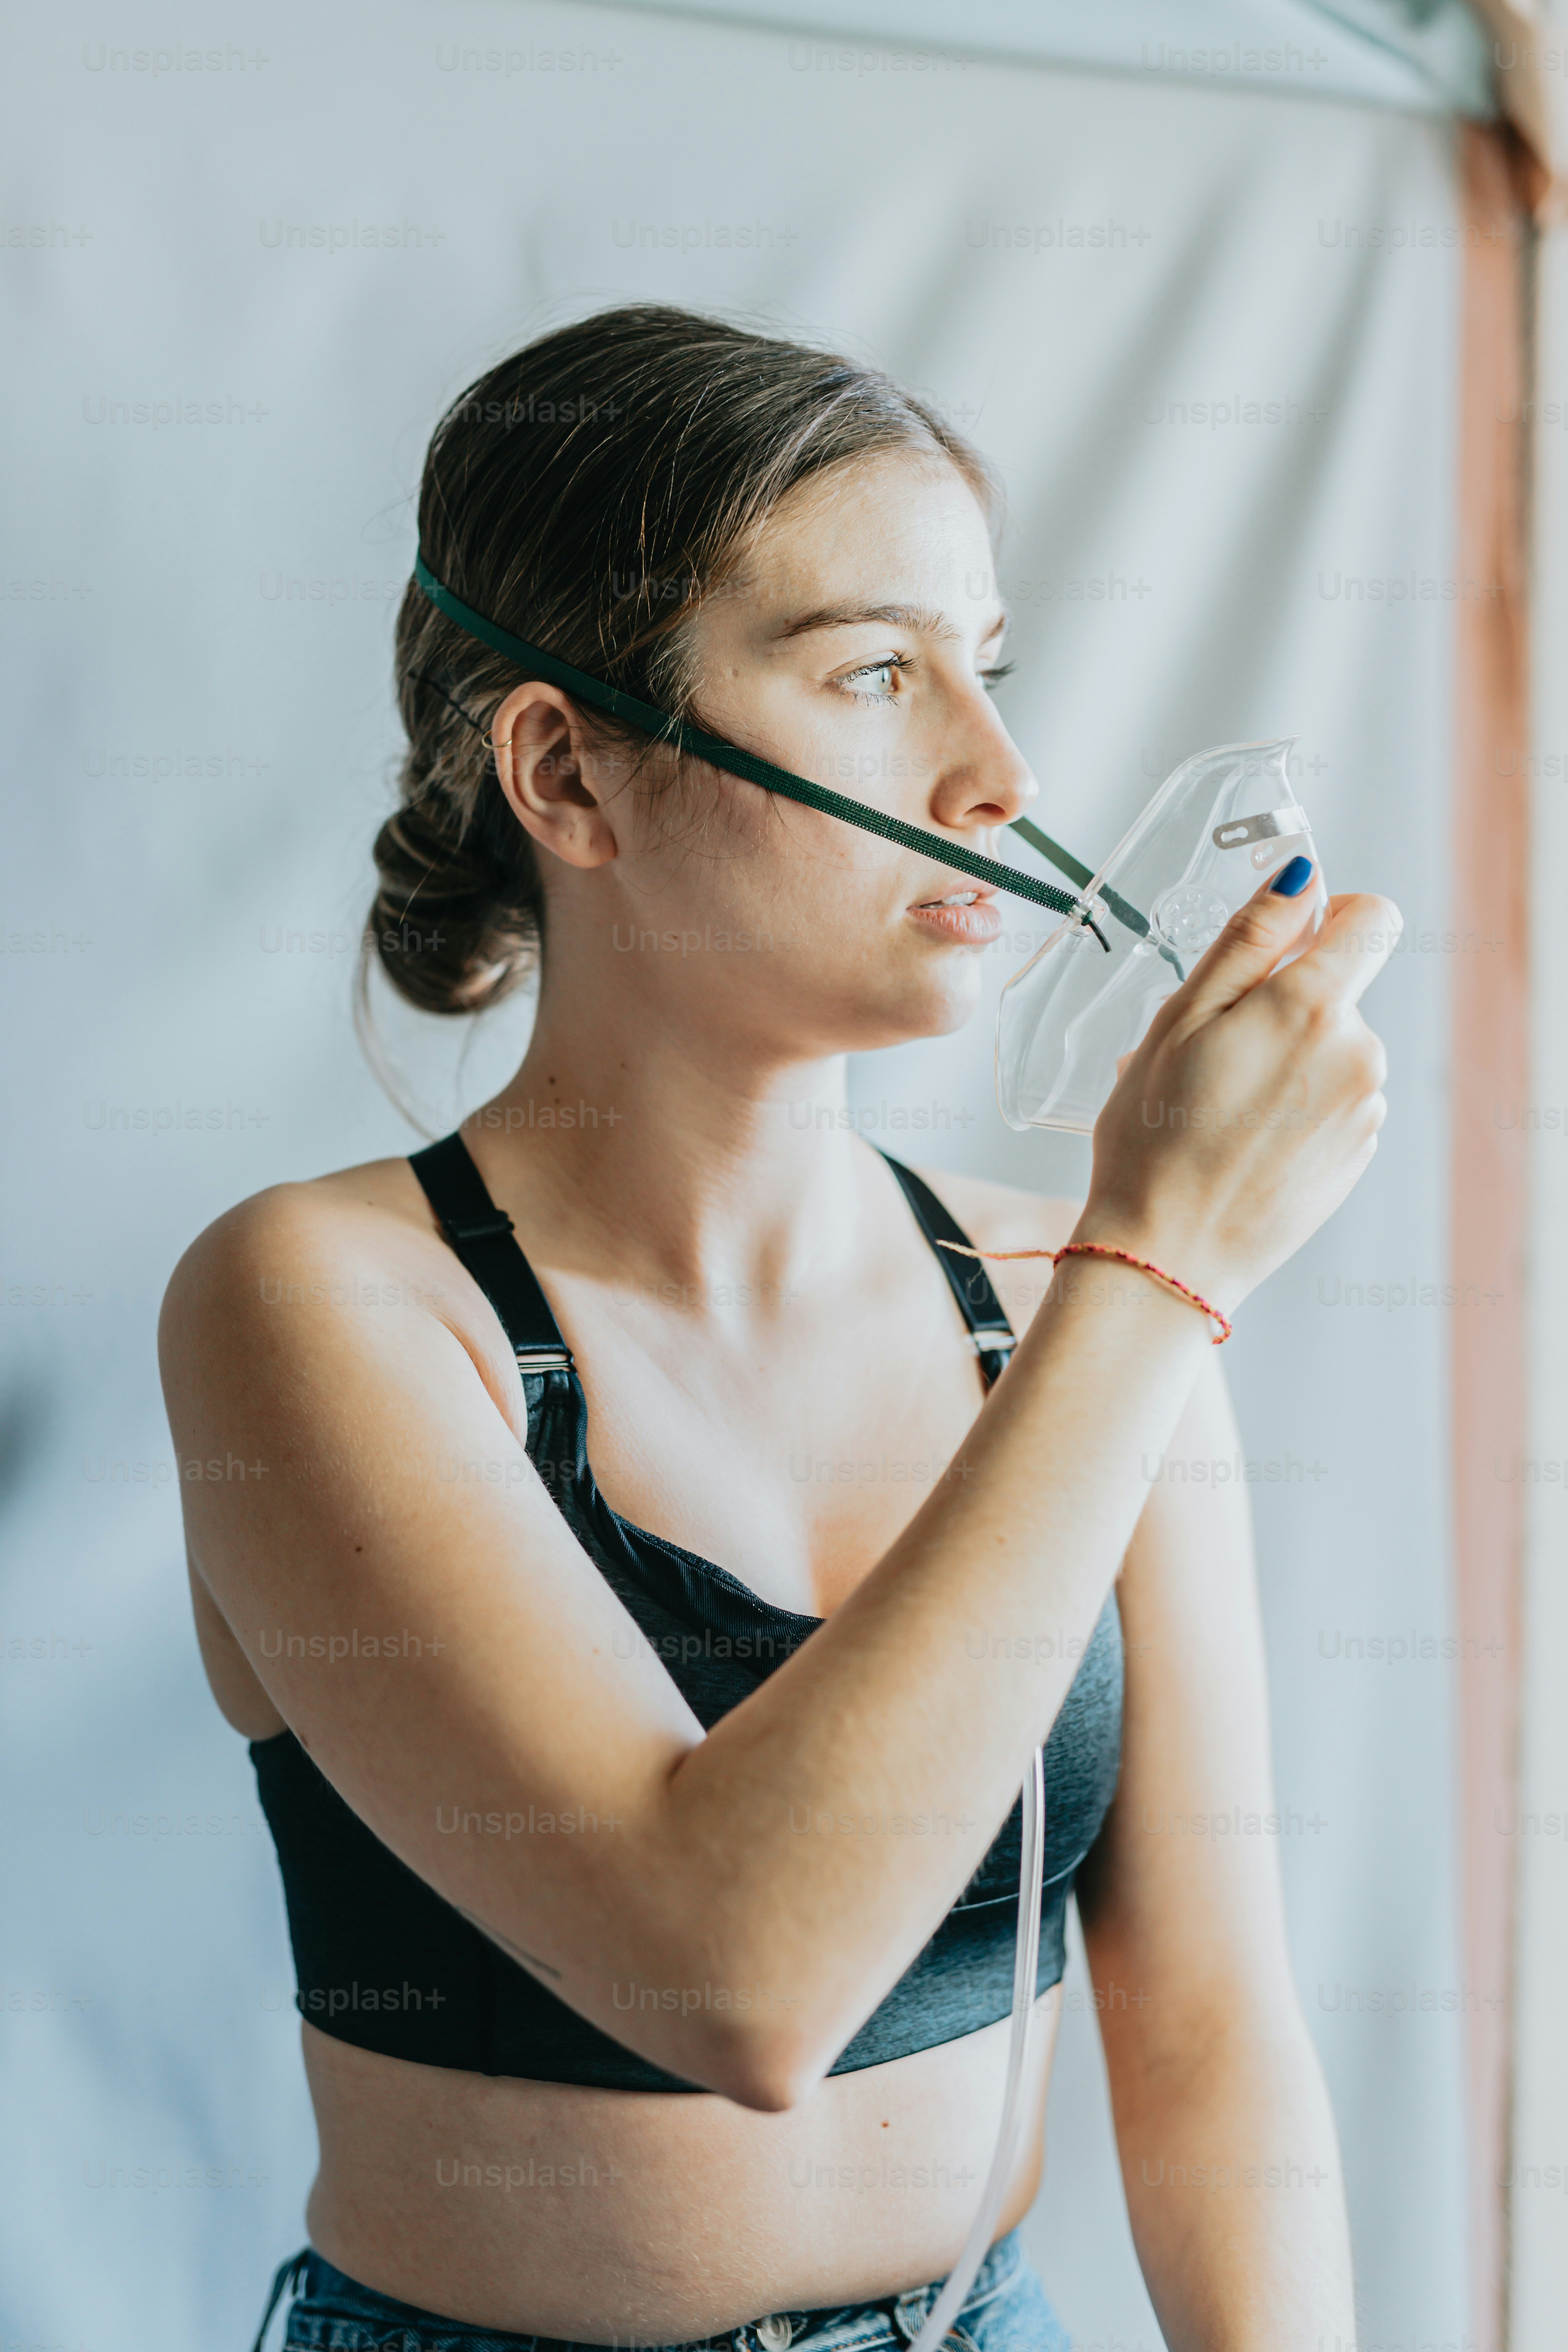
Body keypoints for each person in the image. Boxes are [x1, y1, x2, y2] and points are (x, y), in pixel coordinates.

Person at [160, 306, 1395, 2352]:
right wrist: (1162, 1262)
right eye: (878, 674)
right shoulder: (324, 1305)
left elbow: (1211, 2035)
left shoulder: (1045, 1297)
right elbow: (734, 1978)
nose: (1000, 783)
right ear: (567, 771)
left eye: (990, 673)